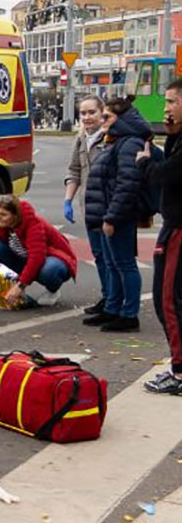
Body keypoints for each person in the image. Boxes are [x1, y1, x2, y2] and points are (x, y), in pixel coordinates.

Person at [82, 95, 153, 332]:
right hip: (108, 213)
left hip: (120, 216)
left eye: (106, 116)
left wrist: (112, 217)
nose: (102, 120)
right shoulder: (117, 141)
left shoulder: (128, 143)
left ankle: (129, 313)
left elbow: (126, 184)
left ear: (119, 119)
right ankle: (113, 308)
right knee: (114, 264)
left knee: (124, 264)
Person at [139, 78, 182, 394]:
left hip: (179, 228)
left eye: (171, 102)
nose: (166, 108)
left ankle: (180, 372)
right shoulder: (177, 139)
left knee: (169, 299)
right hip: (174, 223)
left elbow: (164, 175)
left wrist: (145, 162)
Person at [64, 95, 109, 315]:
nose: (87, 117)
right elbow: (74, 170)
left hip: (108, 207)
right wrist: (68, 200)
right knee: (99, 255)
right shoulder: (81, 138)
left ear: (102, 113)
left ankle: (116, 302)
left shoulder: (110, 139)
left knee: (113, 258)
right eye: (83, 113)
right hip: (89, 206)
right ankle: (107, 297)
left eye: (92, 112)